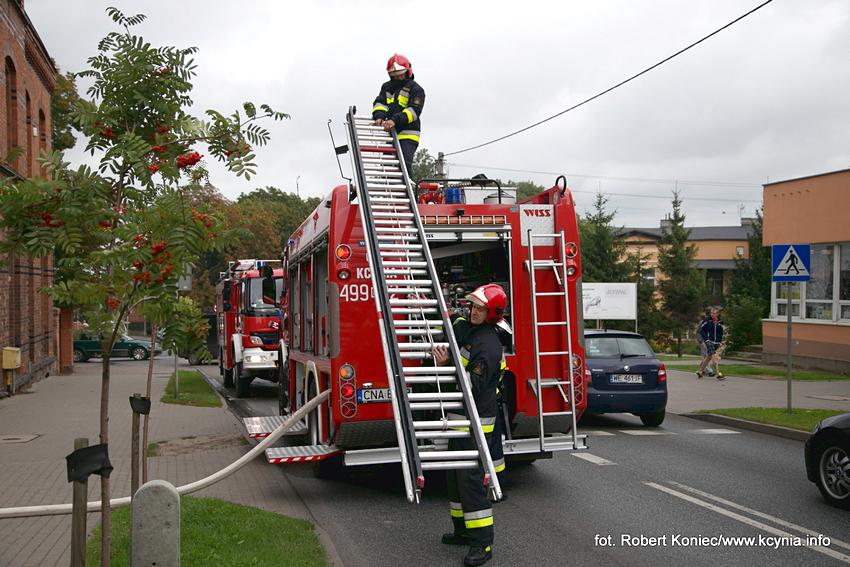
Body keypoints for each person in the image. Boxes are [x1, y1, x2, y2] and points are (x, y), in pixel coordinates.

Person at [432, 284, 506, 566]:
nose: (473, 311)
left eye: (480, 308)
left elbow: (473, 385)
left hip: (476, 425)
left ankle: (482, 544)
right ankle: (462, 530)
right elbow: (456, 325)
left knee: (471, 482)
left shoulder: (488, 344)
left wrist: (449, 363)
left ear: (492, 313)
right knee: (455, 478)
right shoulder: (472, 330)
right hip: (460, 419)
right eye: (473, 306)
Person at [372, 53, 425, 178]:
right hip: (390, 133)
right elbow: (380, 103)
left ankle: (408, 195)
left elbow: (414, 111)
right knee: (388, 167)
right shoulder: (387, 87)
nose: (398, 77)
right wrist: (379, 116)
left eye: (401, 74)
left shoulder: (416, 89)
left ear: (408, 71)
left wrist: (394, 120)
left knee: (404, 165)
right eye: (395, 75)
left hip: (408, 134)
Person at [697, 307, 725, 380]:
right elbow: (701, 330)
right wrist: (706, 340)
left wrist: (720, 341)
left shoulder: (720, 322)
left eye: (714, 313)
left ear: (717, 314)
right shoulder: (707, 320)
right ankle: (718, 373)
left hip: (716, 342)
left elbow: (721, 332)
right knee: (714, 356)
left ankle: (700, 371)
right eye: (712, 313)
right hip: (709, 341)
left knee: (708, 357)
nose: (713, 314)